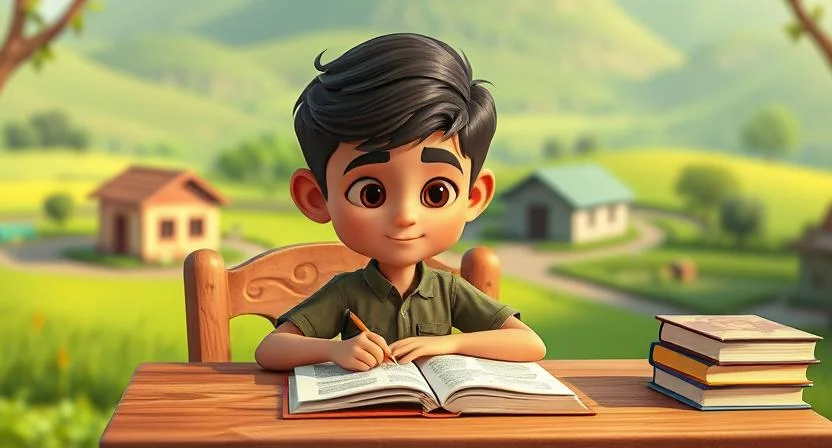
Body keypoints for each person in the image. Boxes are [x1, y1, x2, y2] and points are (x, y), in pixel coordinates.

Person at [255, 33, 546, 372]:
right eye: (371, 194)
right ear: (316, 198)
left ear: (474, 196)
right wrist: (335, 350)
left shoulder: (449, 291)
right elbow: (270, 350)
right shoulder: (347, 293)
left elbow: (529, 343)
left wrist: (449, 343)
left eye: (436, 194)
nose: (406, 216)